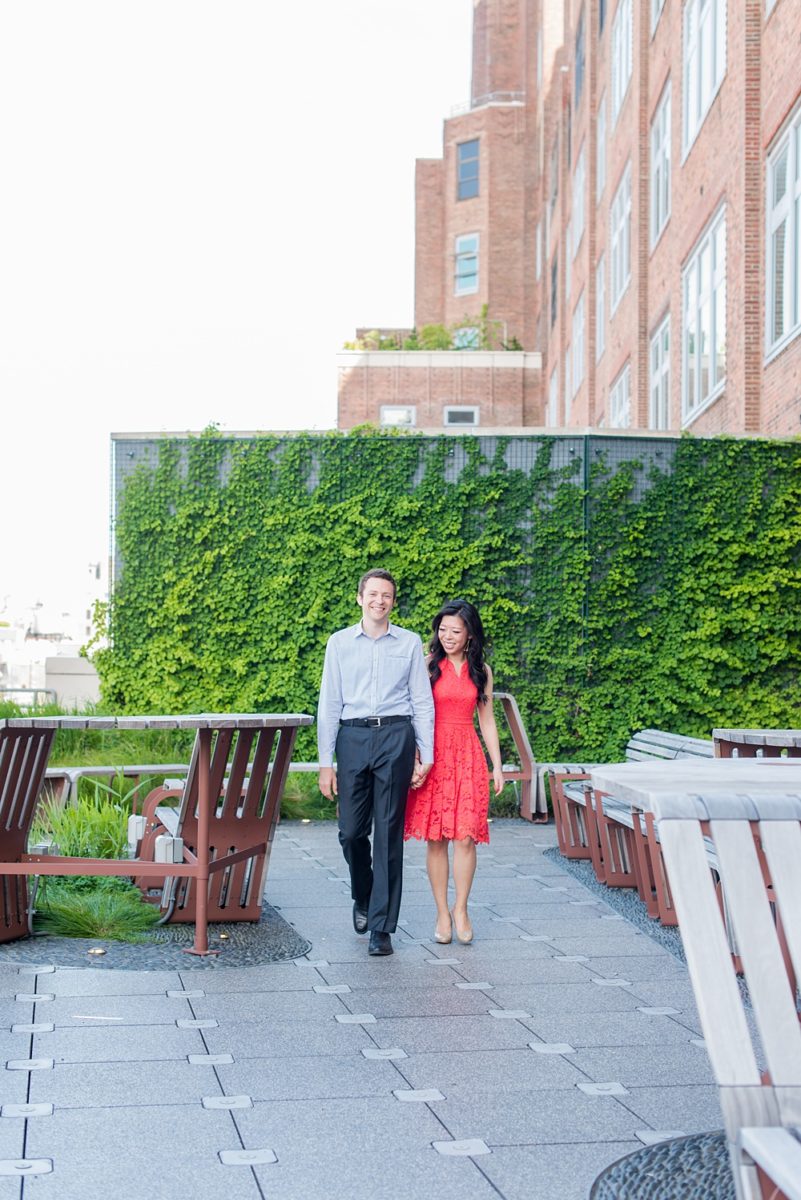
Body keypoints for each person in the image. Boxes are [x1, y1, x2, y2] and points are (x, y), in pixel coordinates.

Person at [318, 569, 434, 957]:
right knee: (351, 832)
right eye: (373, 594)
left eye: (386, 595)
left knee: (387, 833)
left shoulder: (410, 642)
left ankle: (382, 928)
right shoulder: (339, 644)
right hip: (352, 737)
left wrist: (426, 752)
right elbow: (329, 704)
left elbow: (421, 701)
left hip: (395, 737)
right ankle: (363, 895)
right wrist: (324, 761)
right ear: (359, 598)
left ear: (393, 601)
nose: (379, 600)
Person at [404, 599, 503, 945]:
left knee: (465, 836)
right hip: (433, 754)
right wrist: (416, 758)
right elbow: (414, 713)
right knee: (436, 838)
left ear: (470, 635)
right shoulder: (428, 665)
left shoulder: (482, 672)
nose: (447, 636)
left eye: (455, 631)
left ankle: (461, 908)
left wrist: (498, 765)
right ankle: (442, 912)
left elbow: (486, 720)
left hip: (467, 755)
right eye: (442, 630)